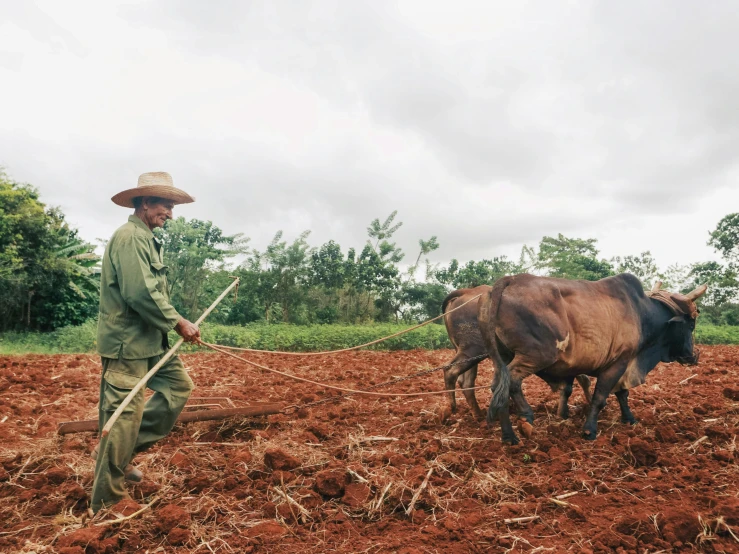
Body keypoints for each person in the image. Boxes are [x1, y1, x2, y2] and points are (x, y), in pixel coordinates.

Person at [91, 172, 201, 512]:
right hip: (127, 344)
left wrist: (170, 325)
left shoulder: (146, 238)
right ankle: (107, 503)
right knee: (122, 417)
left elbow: (150, 291)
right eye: (165, 205)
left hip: (152, 341)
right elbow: (140, 292)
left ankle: (119, 453)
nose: (170, 213)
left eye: (171, 206)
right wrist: (178, 321)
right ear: (144, 203)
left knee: (178, 388)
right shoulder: (130, 237)